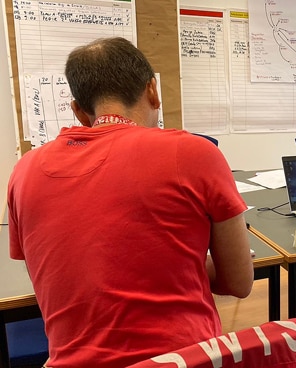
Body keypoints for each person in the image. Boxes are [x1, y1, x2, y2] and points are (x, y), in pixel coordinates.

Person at [7, 37, 254, 367]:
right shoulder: (194, 154)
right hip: (183, 359)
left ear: (79, 111)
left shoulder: (24, 171)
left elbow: (55, 276)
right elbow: (239, 281)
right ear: (153, 92)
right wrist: (179, 265)